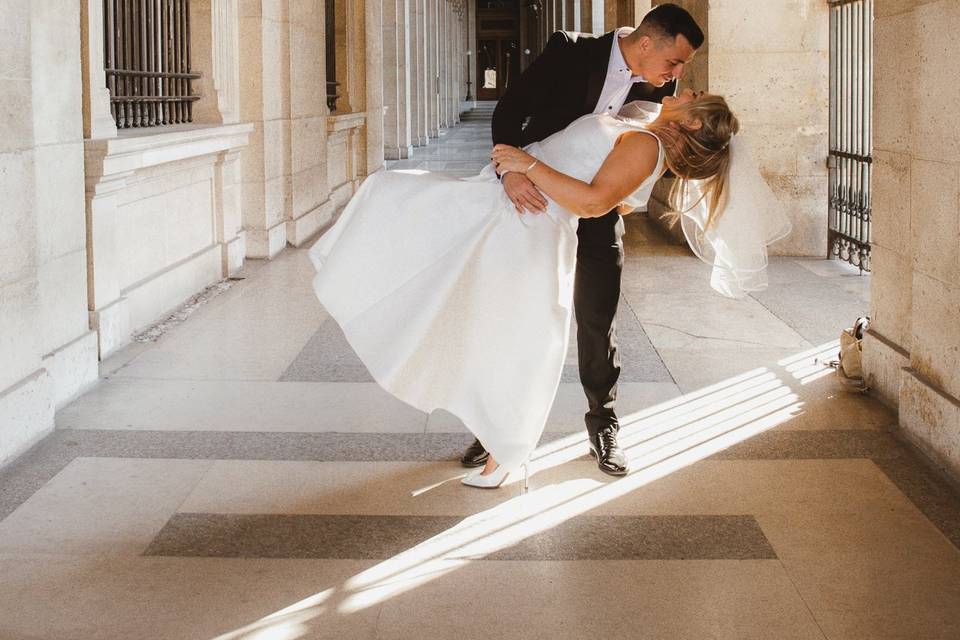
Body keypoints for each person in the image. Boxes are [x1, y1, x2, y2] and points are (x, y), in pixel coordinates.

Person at [308, 88, 763, 489]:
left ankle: (505, 450)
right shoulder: (644, 129)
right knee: (413, 227)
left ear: (693, 121)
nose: (687, 89)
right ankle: (494, 437)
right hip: (513, 209)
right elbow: (615, 196)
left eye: (695, 97)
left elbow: (595, 203)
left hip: (527, 223)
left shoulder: (647, 145)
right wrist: (526, 171)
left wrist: (528, 165)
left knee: (508, 338)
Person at [459, 3, 705, 478]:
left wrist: (623, 196)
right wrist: (509, 172)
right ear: (646, 43)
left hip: (597, 211)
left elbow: (650, 148)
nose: (676, 75)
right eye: (674, 62)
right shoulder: (569, 51)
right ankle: (492, 432)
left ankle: (604, 424)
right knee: (517, 318)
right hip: (535, 201)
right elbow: (511, 109)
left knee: (598, 317)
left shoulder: (661, 84)